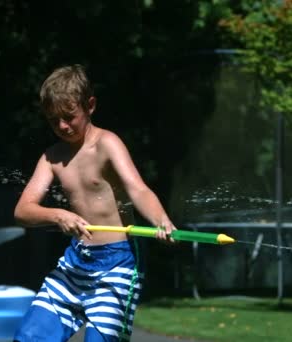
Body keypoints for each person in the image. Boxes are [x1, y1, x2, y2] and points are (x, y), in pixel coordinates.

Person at [13, 64, 176, 342]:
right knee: (30, 337)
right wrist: (57, 215)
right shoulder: (51, 158)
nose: (63, 126)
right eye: (54, 120)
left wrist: (161, 219)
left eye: (69, 116)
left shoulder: (107, 144)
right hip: (76, 262)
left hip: (119, 262)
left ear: (90, 106)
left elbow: (138, 189)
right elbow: (23, 210)